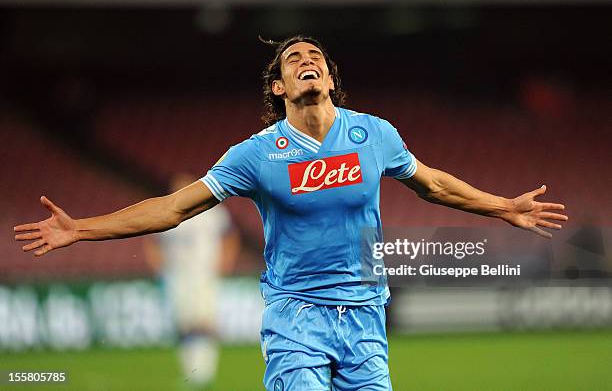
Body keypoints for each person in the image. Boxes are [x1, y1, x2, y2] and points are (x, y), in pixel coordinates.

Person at [15, 35, 568, 391]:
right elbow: (173, 208)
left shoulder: (373, 134)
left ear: (328, 80)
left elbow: (432, 183)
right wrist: (80, 228)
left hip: (364, 313)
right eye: (293, 60)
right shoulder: (255, 155)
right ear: (279, 87)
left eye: (315, 59)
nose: (306, 62)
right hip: (295, 315)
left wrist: (502, 206)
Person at [143, 173, 240, 390]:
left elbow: (230, 235)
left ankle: (205, 371)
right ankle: (190, 371)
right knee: (184, 323)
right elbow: (152, 239)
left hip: (204, 273)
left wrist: (226, 261)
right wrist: (158, 264)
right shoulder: (166, 212)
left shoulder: (211, 211)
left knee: (205, 321)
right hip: (177, 276)